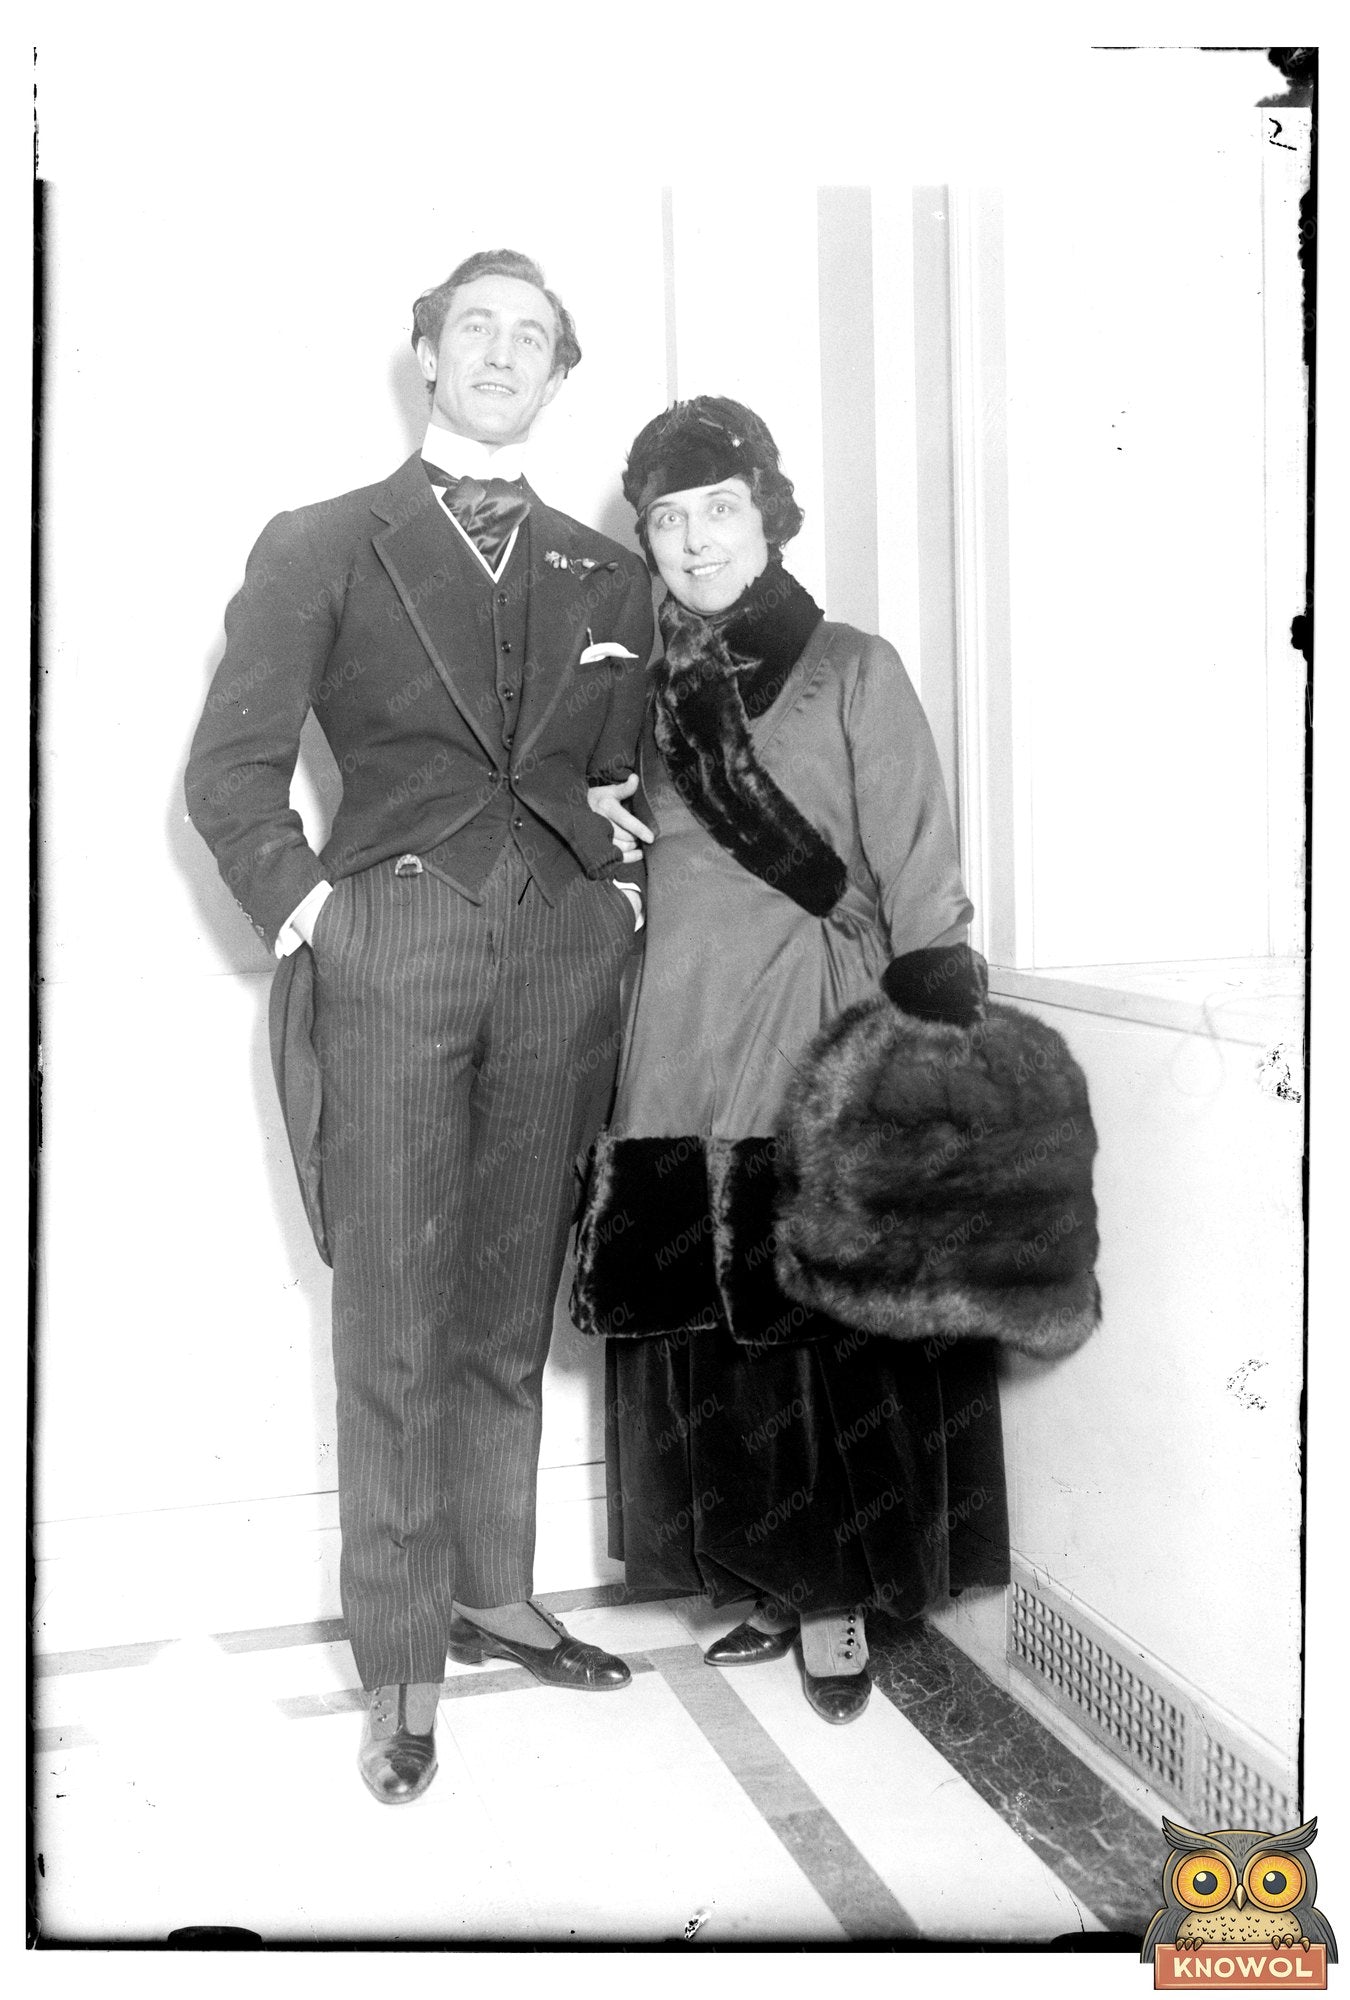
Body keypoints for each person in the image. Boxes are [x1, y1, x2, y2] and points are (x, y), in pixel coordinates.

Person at [186, 250, 654, 1803]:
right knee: (393, 1305)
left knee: (509, 1292)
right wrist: (322, 915)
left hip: (560, 960)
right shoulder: (325, 542)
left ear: (558, 370)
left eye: (533, 337)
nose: (503, 355)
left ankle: (492, 1583)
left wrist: (615, 860)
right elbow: (231, 770)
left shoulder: (608, 569)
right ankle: (398, 1651)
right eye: (479, 329)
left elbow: (619, 769)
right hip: (392, 950)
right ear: (426, 355)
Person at [572, 396, 1015, 1724]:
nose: (697, 539)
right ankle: (762, 1574)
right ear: (644, 538)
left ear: (765, 512)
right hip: (678, 1035)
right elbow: (617, 851)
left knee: (816, 1316)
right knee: (717, 1322)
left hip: (817, 1022)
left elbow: (922, 881)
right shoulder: (637, 699)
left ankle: (836, 1596)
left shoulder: (852, 667)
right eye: (668, 516)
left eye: (719, 507)